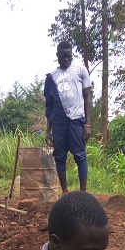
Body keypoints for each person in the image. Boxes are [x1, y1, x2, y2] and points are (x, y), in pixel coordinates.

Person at [45, 41, 93, 193]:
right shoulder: (51, 77)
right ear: (57, 56)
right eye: (63, 56)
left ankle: (83, 193)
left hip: (76, 119)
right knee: (60, 156)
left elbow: (87, 98)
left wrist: (88, 124)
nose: (66, 59)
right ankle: (65, 192)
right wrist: (48, 130)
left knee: (80, 155)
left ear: (72, 56)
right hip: (58, 122)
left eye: (69, 56)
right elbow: (49, 106)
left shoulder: (80, 70)